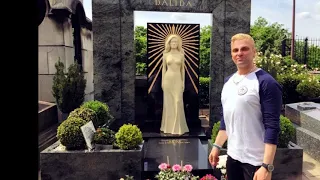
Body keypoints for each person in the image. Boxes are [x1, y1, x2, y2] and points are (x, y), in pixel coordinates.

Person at [208, 33, 282, 180]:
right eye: (235, 50)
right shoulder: (229, 82)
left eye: (244, 49)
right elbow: (227, 120)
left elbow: (272, 126)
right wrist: (217, 146)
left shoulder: (266, 82)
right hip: (233, 157)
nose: (239, 53)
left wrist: (266, 166)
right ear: (231, 54)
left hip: (256, 162)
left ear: (254, 52)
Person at [160, 34, 189, 135]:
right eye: (172, 42)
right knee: (168, 104)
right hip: (168, 80)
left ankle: (179, 128)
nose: (174, 44)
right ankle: (167, 127)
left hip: (177, 80)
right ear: (169, 43)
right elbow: (164, 69)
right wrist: (162, 82)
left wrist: (183, 83)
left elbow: (183, 71)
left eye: (176, 42)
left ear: (178, 44)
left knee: (178, 102)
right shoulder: (165, 55)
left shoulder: (181, 55)